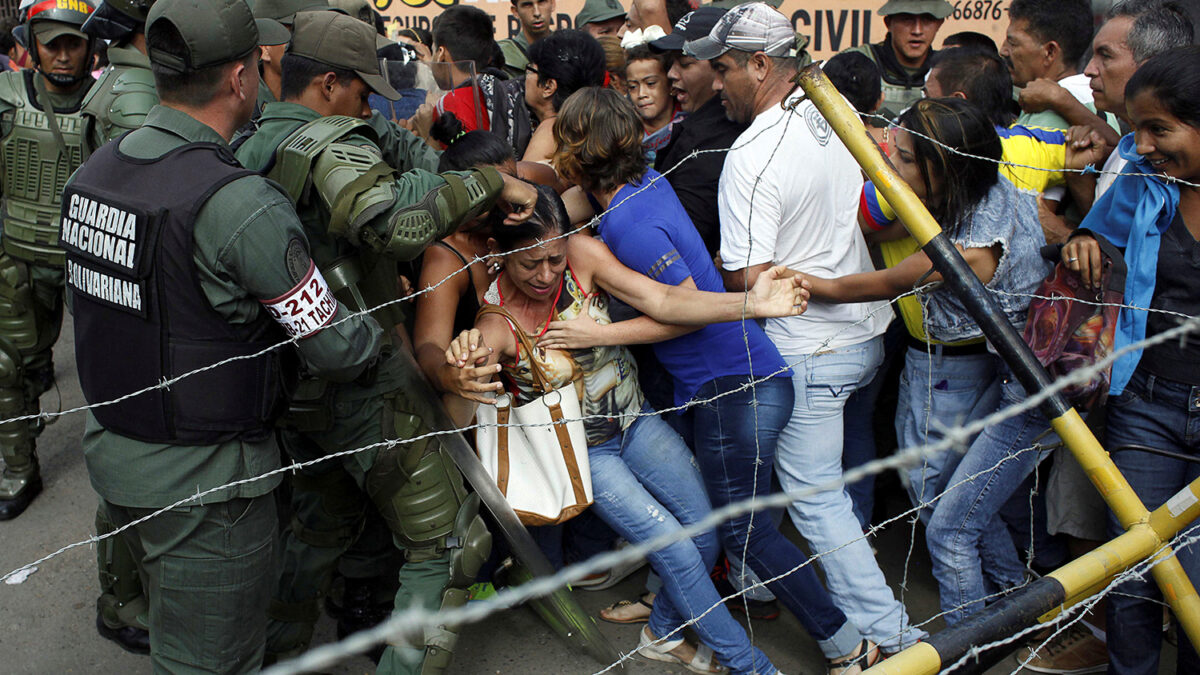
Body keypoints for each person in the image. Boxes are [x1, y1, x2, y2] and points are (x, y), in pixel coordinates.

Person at [65, 0, 383, 670]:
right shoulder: (238, 203)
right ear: (241, 79)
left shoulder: (91, 177)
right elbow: (334, 345)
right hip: (210, 486)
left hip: (119, 457)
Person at [233, 11, 539, 673]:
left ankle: (272, 654)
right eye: (362, 93)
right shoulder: (328, 143)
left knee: (319, 527)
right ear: (328, 86)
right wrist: (490, 181)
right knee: (451, 543)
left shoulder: (251, 138)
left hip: (291, 377)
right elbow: (392, 222)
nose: (369, 106)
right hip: (356, 382)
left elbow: (409, 171)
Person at [544, 85, 883, 674]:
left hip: (735, 386)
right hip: (742, 379)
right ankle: (666, 621)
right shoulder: (643, 186)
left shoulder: (629, 227)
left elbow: (684, 310)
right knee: (735, 528)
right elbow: (569, 202)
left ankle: (849, 647)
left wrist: (600, 335)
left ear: (577, 152)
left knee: (746, 536)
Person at [445, 184, 811, 675]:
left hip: (636, 421)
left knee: (706, 532)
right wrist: (463, 362)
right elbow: (475, 356)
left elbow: (662, 298)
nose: (547, 274)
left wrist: (751, 304)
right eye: (530, 263)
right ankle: (753, 666)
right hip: (587, 455)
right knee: (679, 550)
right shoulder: (496, 320)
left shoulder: (582, 255)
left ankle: (660, 631)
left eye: (554, 258)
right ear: (500, 255)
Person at [686, 2, 924, 656]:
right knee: (822, 481)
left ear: (761, 64)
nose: (715, 82)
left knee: (818, 502)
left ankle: (894, 637)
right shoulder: (839, 118)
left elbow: (752, 281)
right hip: (864, 338)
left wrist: (709, 272)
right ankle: (761, 585)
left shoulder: (752, 154)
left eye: (724, 68)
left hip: (811, 352)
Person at [804, 95, 1051, 573]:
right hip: (996, 364)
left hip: (989, 372)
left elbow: (886, 282)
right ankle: (1013, 592)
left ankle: (992, 603)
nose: (890, 164)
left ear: (944, 170)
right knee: (956, 490)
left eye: (906, 158)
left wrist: (800, 281)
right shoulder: (985, 188)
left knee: (937, 496)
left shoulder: (971, 246)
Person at [1060, 44, 1200, 675]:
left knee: (1194, 586)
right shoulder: (1145, 180)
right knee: (1137, 572)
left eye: (1159, 129)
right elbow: (1096, 228)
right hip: (1147, 406)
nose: (1140, 146)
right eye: (1137, 128)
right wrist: (1085, 240)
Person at [76, 0, 165, 655]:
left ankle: (123, 589)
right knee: (131, 450)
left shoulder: (120, 78)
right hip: (133, 284)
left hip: (112, 276)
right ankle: (124, 597)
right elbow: (151, 187)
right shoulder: (138, 91)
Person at [0, 0, 97, 521]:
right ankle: (18, 466)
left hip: (90, 262)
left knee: (119, 370)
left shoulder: (109, 103)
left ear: (91, 46)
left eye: (73, 42)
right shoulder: (7, 99)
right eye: (51, 43)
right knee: (8, 368)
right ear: (32, 45)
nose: (62, 55)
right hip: (17, 256)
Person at [647, 5, 739, 256]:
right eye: (671, 63)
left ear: (720, 67)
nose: (671, 74)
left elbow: (681, 240)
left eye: (685, 64)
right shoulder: (696, 127)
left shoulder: (709, 141)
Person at [1001, 0, 1117, 138]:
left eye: (1013, 43)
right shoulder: (1090, 95)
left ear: (1050, 52)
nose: (1003, 51)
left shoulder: (1048, 109)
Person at [840, 0, 952, 123]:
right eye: (907, 19)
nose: (917, 30)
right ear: (888, 23)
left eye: (927, 20)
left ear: (939, 24)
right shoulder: (855, 63)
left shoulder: (949, 69)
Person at [521, 29, 605, 163]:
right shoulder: (597, 126)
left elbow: (521, 183)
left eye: (530, 70)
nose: (523, 79)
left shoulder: (551, 132)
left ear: (548, 87)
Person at [431, 5, 496, 133]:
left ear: (440, 54)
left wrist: (425, 133)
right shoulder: (503, 91)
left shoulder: (448, 106)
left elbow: (450, 153)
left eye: (433, 50)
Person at [622, 44, 679, 162]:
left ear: (671, 86)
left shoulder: (688, 123)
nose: (641, 94)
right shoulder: (625, 132)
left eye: (651, 83)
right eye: (632, 87)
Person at [498, 0, 554, 79]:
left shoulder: (569, 51)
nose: (537, 13)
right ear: (516, 11)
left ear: (553, 4)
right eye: (527, 5)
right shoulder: (501, 57)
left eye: (542, 2)